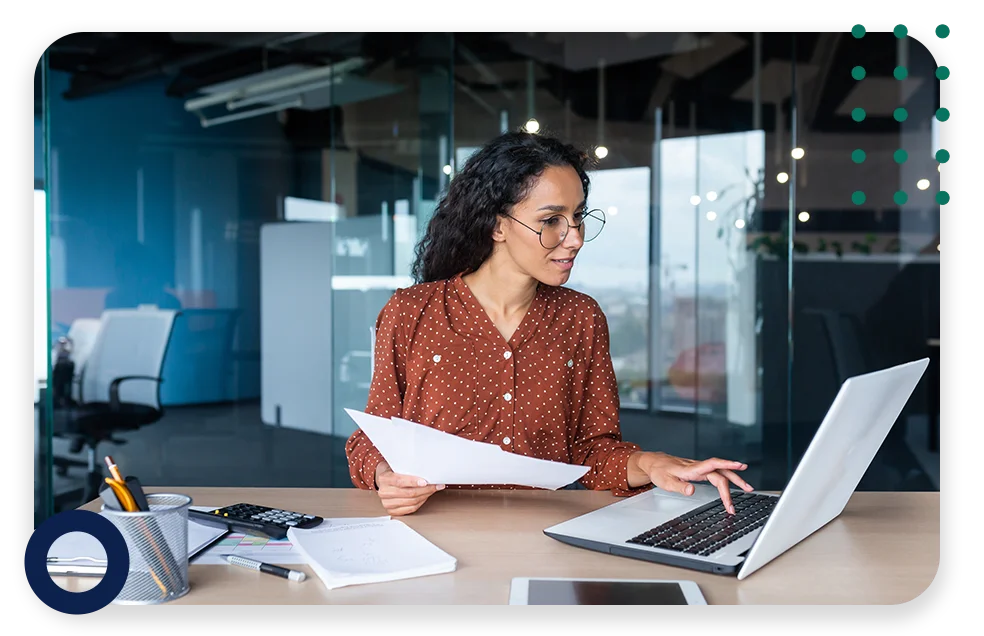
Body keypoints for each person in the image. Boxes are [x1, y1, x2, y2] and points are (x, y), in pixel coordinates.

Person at [345, 131, 753, 517]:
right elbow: (373, 438)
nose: (574, 237)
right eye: (551, 220)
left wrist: (653, 463)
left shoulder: (581, 318)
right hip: (429, 533)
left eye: (577, 217)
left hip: (543, 534)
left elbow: (593, 454)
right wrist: (385, 476)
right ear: (497, 225)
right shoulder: (411, 311)